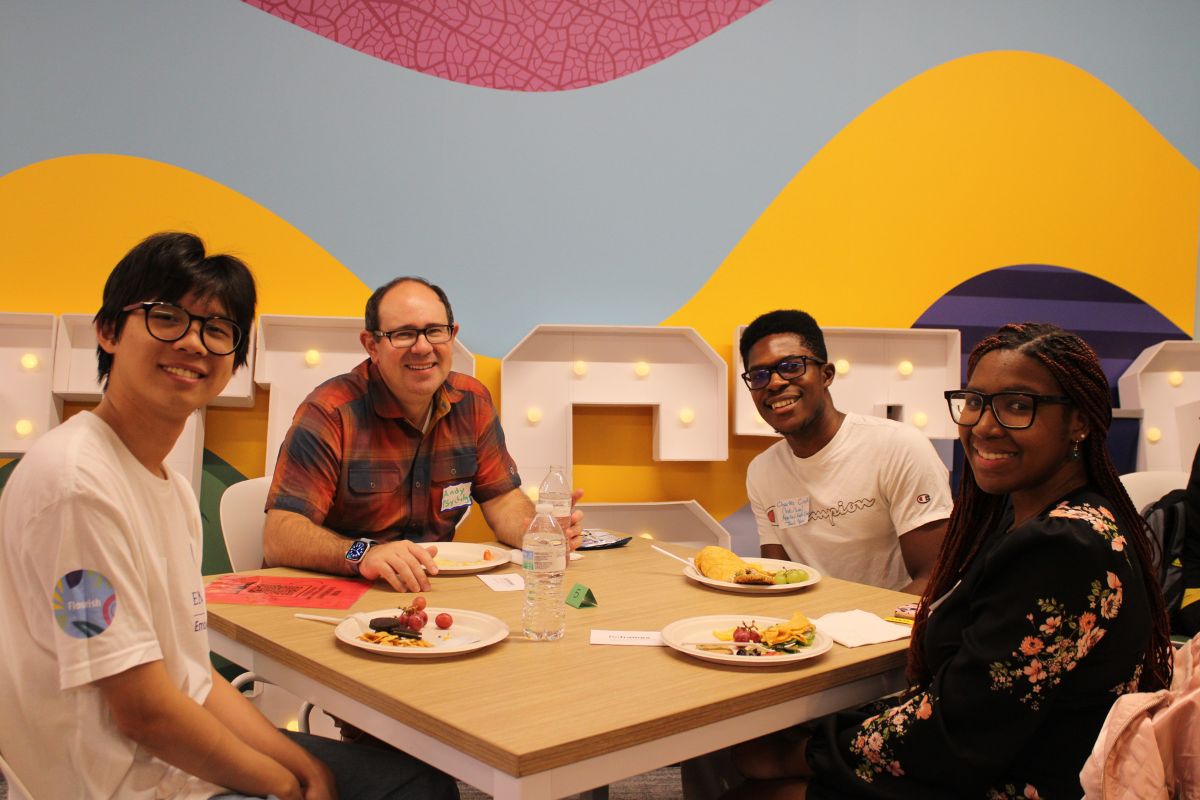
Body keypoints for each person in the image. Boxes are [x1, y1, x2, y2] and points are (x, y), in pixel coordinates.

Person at [0, 233, 458, 799]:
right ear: (109, 330)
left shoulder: (164, 484)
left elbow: (191, 679)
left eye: (217, 330)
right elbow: (143, 714)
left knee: (419, 782)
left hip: (171, 753)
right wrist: (284, 785)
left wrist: (299, 765)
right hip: (116, 781)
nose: (193, 343)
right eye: (167, 318)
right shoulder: (77, 486)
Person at [725, 322, 1174, 800]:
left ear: (1079, 421)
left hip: (1019, 778)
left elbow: (960, 730)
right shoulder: (1030, 517)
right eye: (975, 402)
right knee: (752, 760)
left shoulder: (1062, 545)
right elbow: (972, 699)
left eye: (1018, 406)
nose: (984, 425)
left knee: (755, 783)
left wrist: (809, 751)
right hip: (989, 745)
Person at [264, 276, 582, 593]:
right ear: (371, 345)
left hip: (431, 591)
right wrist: (363, 554)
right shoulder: (330, 412)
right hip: (340, 591)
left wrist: (536, 531)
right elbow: (280, 536)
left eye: (434, 331)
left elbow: (503, 501)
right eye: (403, 334)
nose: (422, 347)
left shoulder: (472, 401)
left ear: (452, 335)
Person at [740, 310, 951, 593]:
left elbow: (934, 578)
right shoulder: (762, 470)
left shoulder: (898, 446)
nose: (775, 383)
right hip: (811, 631)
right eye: (760, 375)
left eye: (791, 366)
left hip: (891, 630)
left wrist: (860, 631)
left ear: (826, 375)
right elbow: (780, 579)